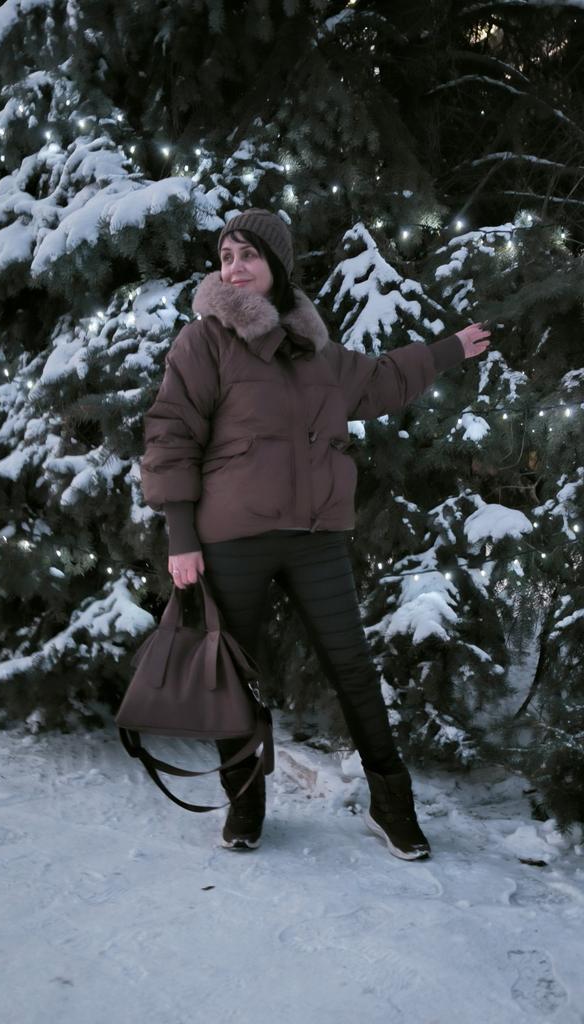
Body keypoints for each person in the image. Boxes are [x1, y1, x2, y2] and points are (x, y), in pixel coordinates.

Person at [140, 208, 491, 857]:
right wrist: (181, 534)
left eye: (248, 254)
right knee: (233, 674)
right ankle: (246, 801)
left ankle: (391, 803)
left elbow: (381, 381)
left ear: (277, 264)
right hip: (231, 538)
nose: (235, 267)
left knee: (352, 667)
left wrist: (448, 349)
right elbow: (171, 432)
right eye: (226, 257)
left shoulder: (316, 350)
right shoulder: (204, 341)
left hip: (315, 537)